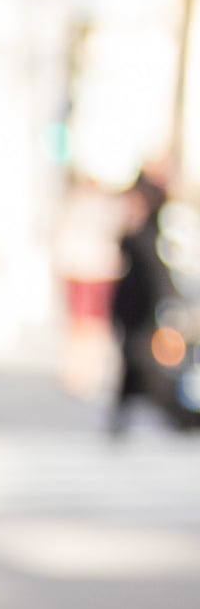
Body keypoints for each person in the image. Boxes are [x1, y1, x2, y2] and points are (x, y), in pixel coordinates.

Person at [109, 174, 179, 434]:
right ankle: (128, 410)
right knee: (134, 358)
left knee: (144, 359)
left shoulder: (152, 233)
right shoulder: (136, 231)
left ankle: (168, 409)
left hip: (147, 307)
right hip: (132, 305)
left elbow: (159, 275)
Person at [54, 172, 122, 402]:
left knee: (88, 325)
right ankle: (82, 371)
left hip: (92, 269)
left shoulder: (98, 207)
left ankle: (85, 372)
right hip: (86, 269)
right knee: (85, 325)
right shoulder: (82, 206)